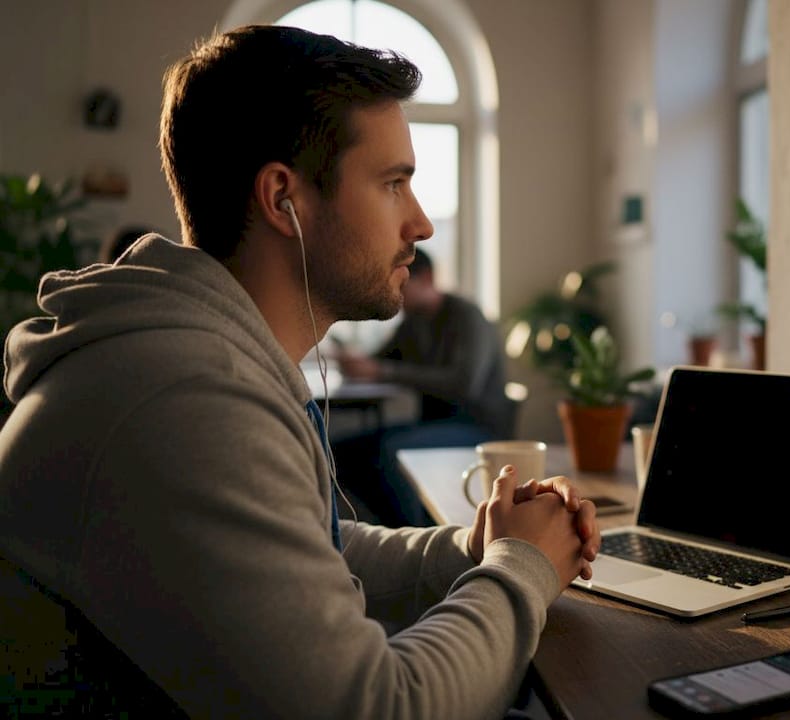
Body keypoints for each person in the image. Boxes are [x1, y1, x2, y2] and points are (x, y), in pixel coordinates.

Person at [0, 25, 598, 719]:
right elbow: (378, 709)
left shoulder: (190, 359)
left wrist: (474, 546)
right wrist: (520, 568)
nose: (423, 223)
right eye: (394, 183)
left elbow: (316, 549)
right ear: (284, 197)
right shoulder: (185, 397)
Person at [332, 246, 514, 527]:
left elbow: (464, 385)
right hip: (432, 425)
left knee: (392, 452)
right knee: (340, 452)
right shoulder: (413, 321)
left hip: (477, 427)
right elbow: (382, 359)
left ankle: (417, 532)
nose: (396, 291)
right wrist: (359, 363)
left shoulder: (466, 316)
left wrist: (381, 371)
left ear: (426, 278)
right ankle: (394, 528)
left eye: (403, 282)